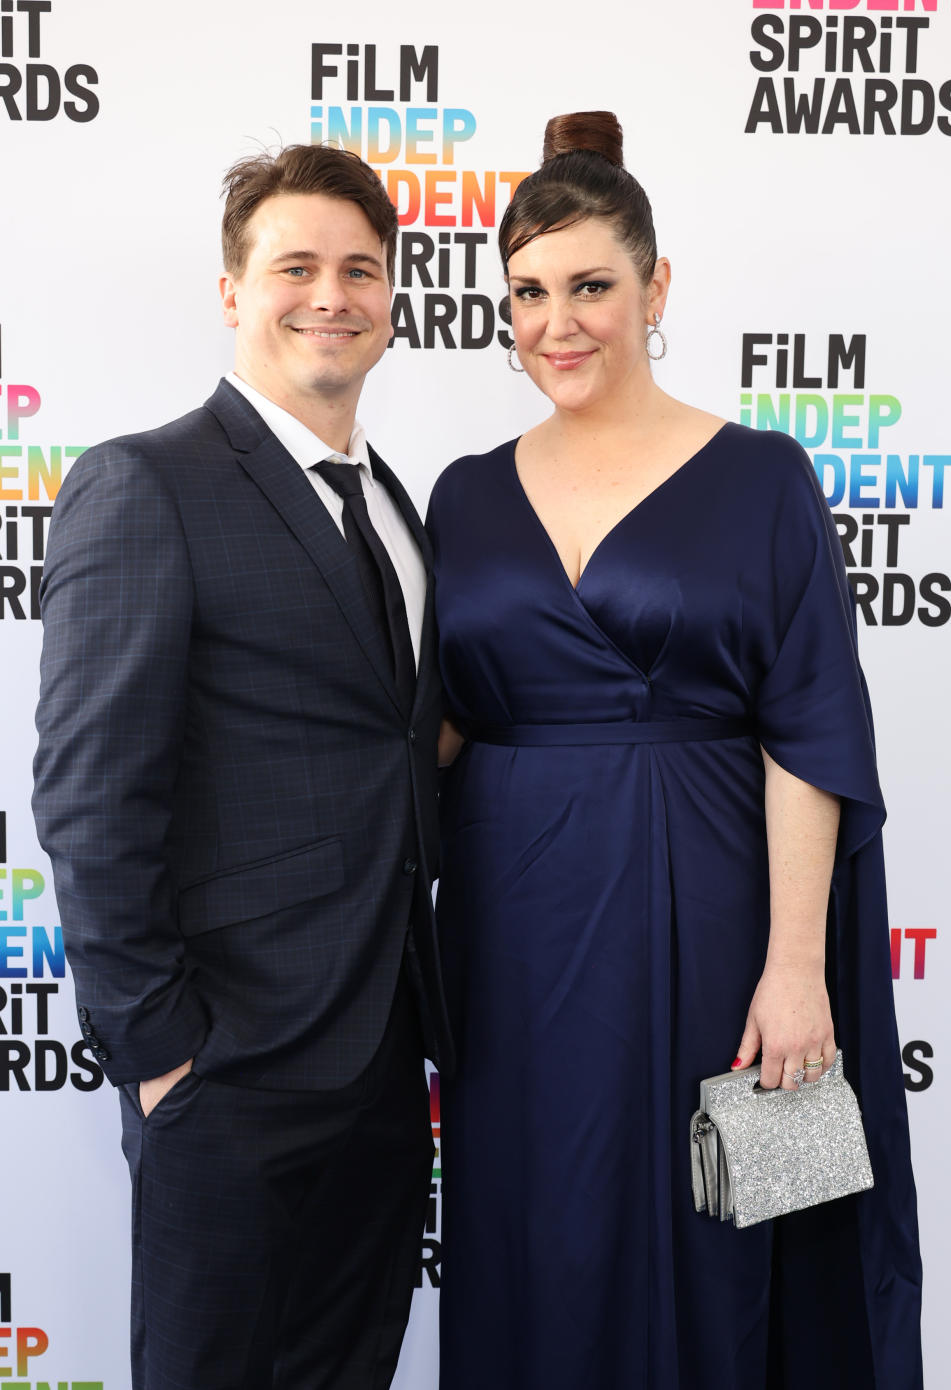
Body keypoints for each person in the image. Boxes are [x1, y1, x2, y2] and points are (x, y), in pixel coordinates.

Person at [427, 112, 922, 1389]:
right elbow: (433, 725)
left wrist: (797, 966)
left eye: (591, 286)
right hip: (512, 934)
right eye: (528, 293)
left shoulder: (764, 475)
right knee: (532, 1223)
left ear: (657, 287)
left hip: (712, 910)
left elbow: (810, 724)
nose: (558, 323)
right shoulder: (464, 493)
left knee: (724, 1226)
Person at [32, 142, 452, 1390]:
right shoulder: (144, 483)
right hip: (226, 1069)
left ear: (392, 299)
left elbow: (393, 749)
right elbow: (91, 796)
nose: (332, 294)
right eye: (297, 265)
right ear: (233, 289)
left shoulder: (393, 501)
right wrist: (164, 1053)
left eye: (361, 270)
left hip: (385, 1062)